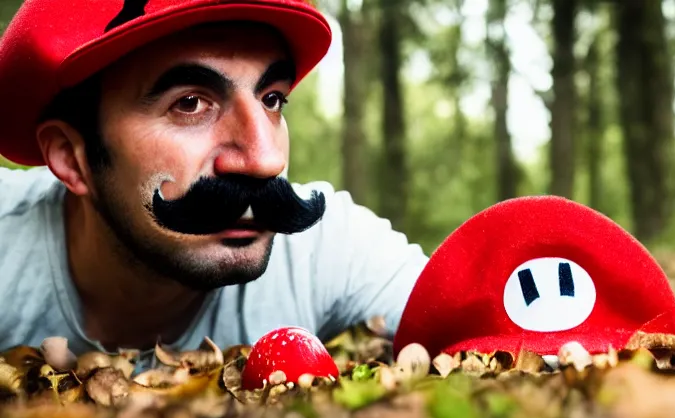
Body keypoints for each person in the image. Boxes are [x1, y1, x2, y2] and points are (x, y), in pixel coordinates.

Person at [0, 0, 428, 370]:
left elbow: (480, 320)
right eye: (190, 104)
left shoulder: (327, 249)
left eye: (272, 99)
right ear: (71, 158)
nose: (266, 160)